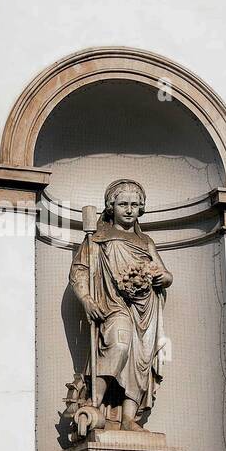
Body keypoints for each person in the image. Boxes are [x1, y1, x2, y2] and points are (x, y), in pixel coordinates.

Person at [69, 179, 172, 432]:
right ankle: (94, 403)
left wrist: (162, 277)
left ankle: (128, 418)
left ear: (141, 208)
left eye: (135, 205)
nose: (129, 209)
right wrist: (86, 299)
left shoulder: (146, 241)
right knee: (119, 343)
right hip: (112, 304)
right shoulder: (97, 238)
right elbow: (80, 272)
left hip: (144, 308)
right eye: (123, 203)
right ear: (110, 206)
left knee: (140, 362)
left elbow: (166, 274)